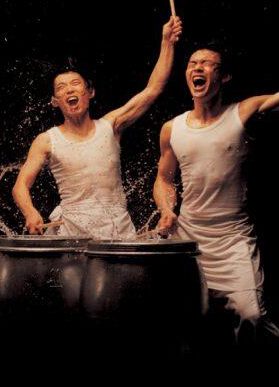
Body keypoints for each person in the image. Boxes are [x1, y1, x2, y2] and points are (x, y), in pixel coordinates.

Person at [153, 2, 279, 343]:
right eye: (192, 63)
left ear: (223, 76)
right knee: (178, 323)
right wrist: (167, 209)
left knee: (252, 317)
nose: (197, 68)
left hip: (232, 241)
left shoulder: (242, 113)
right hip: (187, 240)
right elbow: (164, 179)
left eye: (206, 64)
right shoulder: (172, 129)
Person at [13, 16, 182, 238]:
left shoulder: (111, 126)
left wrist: (166, 42)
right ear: (55, 101)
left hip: (118, 230)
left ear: (90, 92)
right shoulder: (46, 140)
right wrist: (30, 212)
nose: (69, 90)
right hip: (72, 234)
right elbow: (20, 186)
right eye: (62, 88)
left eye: (75, 84)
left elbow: (153, 89)